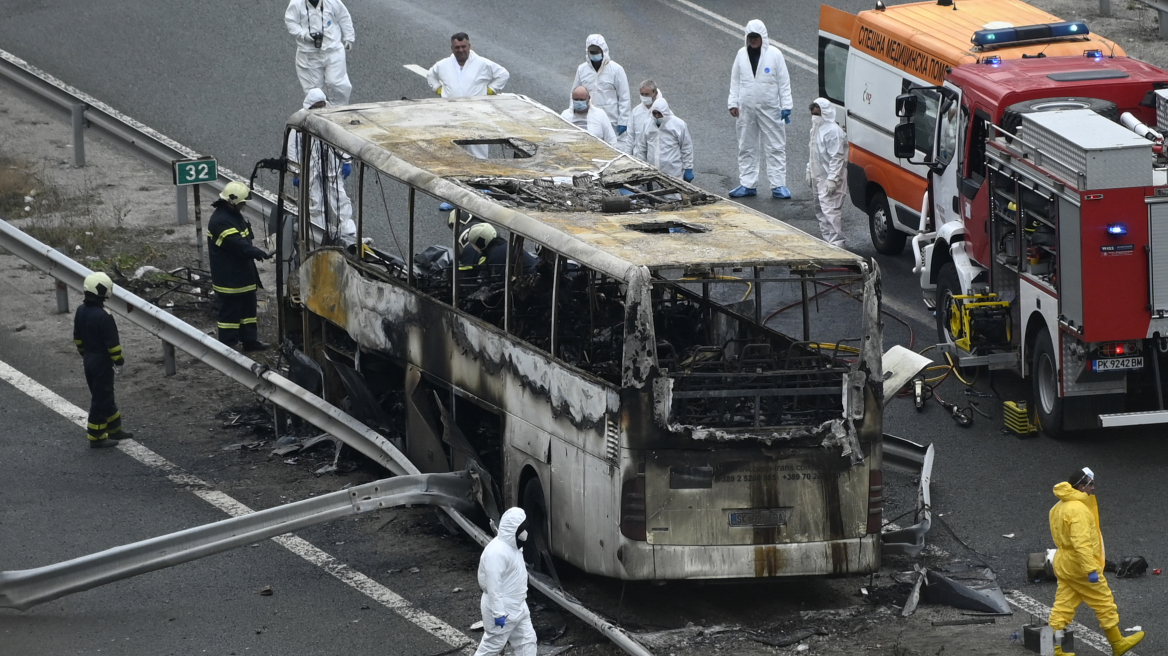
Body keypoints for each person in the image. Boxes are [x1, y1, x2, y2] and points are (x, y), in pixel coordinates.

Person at [1048, 467, 1145, 656]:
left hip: (1064, 562)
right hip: (1080, 565)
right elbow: (1082, 543)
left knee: (1062, 606)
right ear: (1082, 486)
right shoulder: (1078, 510)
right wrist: (1091, 569)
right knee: (1104, 603)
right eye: (1091, 484)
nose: (1094, 488)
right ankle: (1118, 643)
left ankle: (1054, 648)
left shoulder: (1058, 506)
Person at [727, 19, 793, 199]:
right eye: (751, 37)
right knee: (746, 146)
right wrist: (733, 103)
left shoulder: (775, 55)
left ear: (763, 37)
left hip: (771, 109)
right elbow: (736, 80)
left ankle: (778, 185)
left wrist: (786, 105)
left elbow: (784, 82)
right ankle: (747, 184)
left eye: (756, 36)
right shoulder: (741, 54)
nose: (754, 40)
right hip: (746, 109)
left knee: (775, 147)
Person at [207, 181, 272, 352]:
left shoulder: (232, 215)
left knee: (248, 312)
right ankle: (228, 346)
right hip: (229, 277)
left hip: (243, 274)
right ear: (232, 201)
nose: (244, 206)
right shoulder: (220, 221)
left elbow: (244, 240)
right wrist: (257, 253)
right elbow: (238, 245)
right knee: (230, 313)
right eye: (242, 203)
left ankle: (250, 341)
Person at [288, 89, 357, 246]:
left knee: (339, 196)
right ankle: (318, 231)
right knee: (315, 198)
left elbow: (340, 139)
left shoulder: (330, 117)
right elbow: (293, 148)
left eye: (321, 105)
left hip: (331, 164)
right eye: (316, 106)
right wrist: (296, 172)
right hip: (310, 166)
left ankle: (348, 230)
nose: (319, 108)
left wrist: (346, 161)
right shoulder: (299, 120)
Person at [427, 32, 510, 159]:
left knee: (477, 154)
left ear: (469, 46)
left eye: (463, 46)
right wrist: (439, 90)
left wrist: (490, 91)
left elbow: (503, 74)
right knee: (452, 152)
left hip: (476, 116)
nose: (461, 50)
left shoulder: (482, 64)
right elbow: (431, 76)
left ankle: (480, 177)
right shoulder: (443, 65)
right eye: (457, 47)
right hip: (451, 116)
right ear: (452, 49)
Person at [74, 272, 133, 448]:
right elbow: (113, 345)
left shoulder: (80, 311)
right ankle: (96, 435)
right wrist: (119, 361)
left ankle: (114, 428)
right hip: (102, 363)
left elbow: (77, 338)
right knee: (101, 398)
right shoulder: (104, 316)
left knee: (104, 394)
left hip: (89, 359)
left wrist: (85, 354)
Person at [473, 507, 536, 656]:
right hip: (504, 610)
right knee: (492, 646)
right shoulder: (496, 553)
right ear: (513, 530)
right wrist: (498, 613)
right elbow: (493, 587)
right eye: (522, 529)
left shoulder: (513, 548)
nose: (525, 533)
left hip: (518, 605)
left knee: (527, 641)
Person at [284, 0, 355, 106]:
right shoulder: (296, 3)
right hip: (309, 53)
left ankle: (339, 110)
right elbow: (290, 21)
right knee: (314, 91)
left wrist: (349, 37)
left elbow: (343, 16)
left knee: (337, 83)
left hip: (333, 50)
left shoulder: (332, 2)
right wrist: (304, 35)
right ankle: (318, 115)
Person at [571, 34, 631, 150]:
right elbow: (574, 94)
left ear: (604, 50)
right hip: (589, 119)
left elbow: (624, 97)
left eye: (597, 51)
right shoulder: (582, 69)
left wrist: (623, 121)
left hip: (612, 119)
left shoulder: (616, 70)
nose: (594, 54)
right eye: (591, 52)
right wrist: (573, 115)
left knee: (613, 150)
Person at [806, 98, 848, 248]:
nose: (814, 116)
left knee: (831, 212)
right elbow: (813, 152)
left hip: (830, 179)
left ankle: (838, 246)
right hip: (819, 177)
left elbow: (837, 157)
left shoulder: (833, 132)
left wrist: (832, 179)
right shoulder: (815, 129)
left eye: (817, 114)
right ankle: (828, 244)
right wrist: (809, 170)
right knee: (821, 211)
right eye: (813, 113)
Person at [633, 97, 694, 182]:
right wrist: (641, 167)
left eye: (659, 114)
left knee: (673, 194)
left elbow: (686, 147)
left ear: (665, 112)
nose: (657, 116)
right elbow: (642, 148)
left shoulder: (678, 125)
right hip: (652, 173)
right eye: (654, 113)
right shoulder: (647, 125)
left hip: (673, 173)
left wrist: (688, 167)